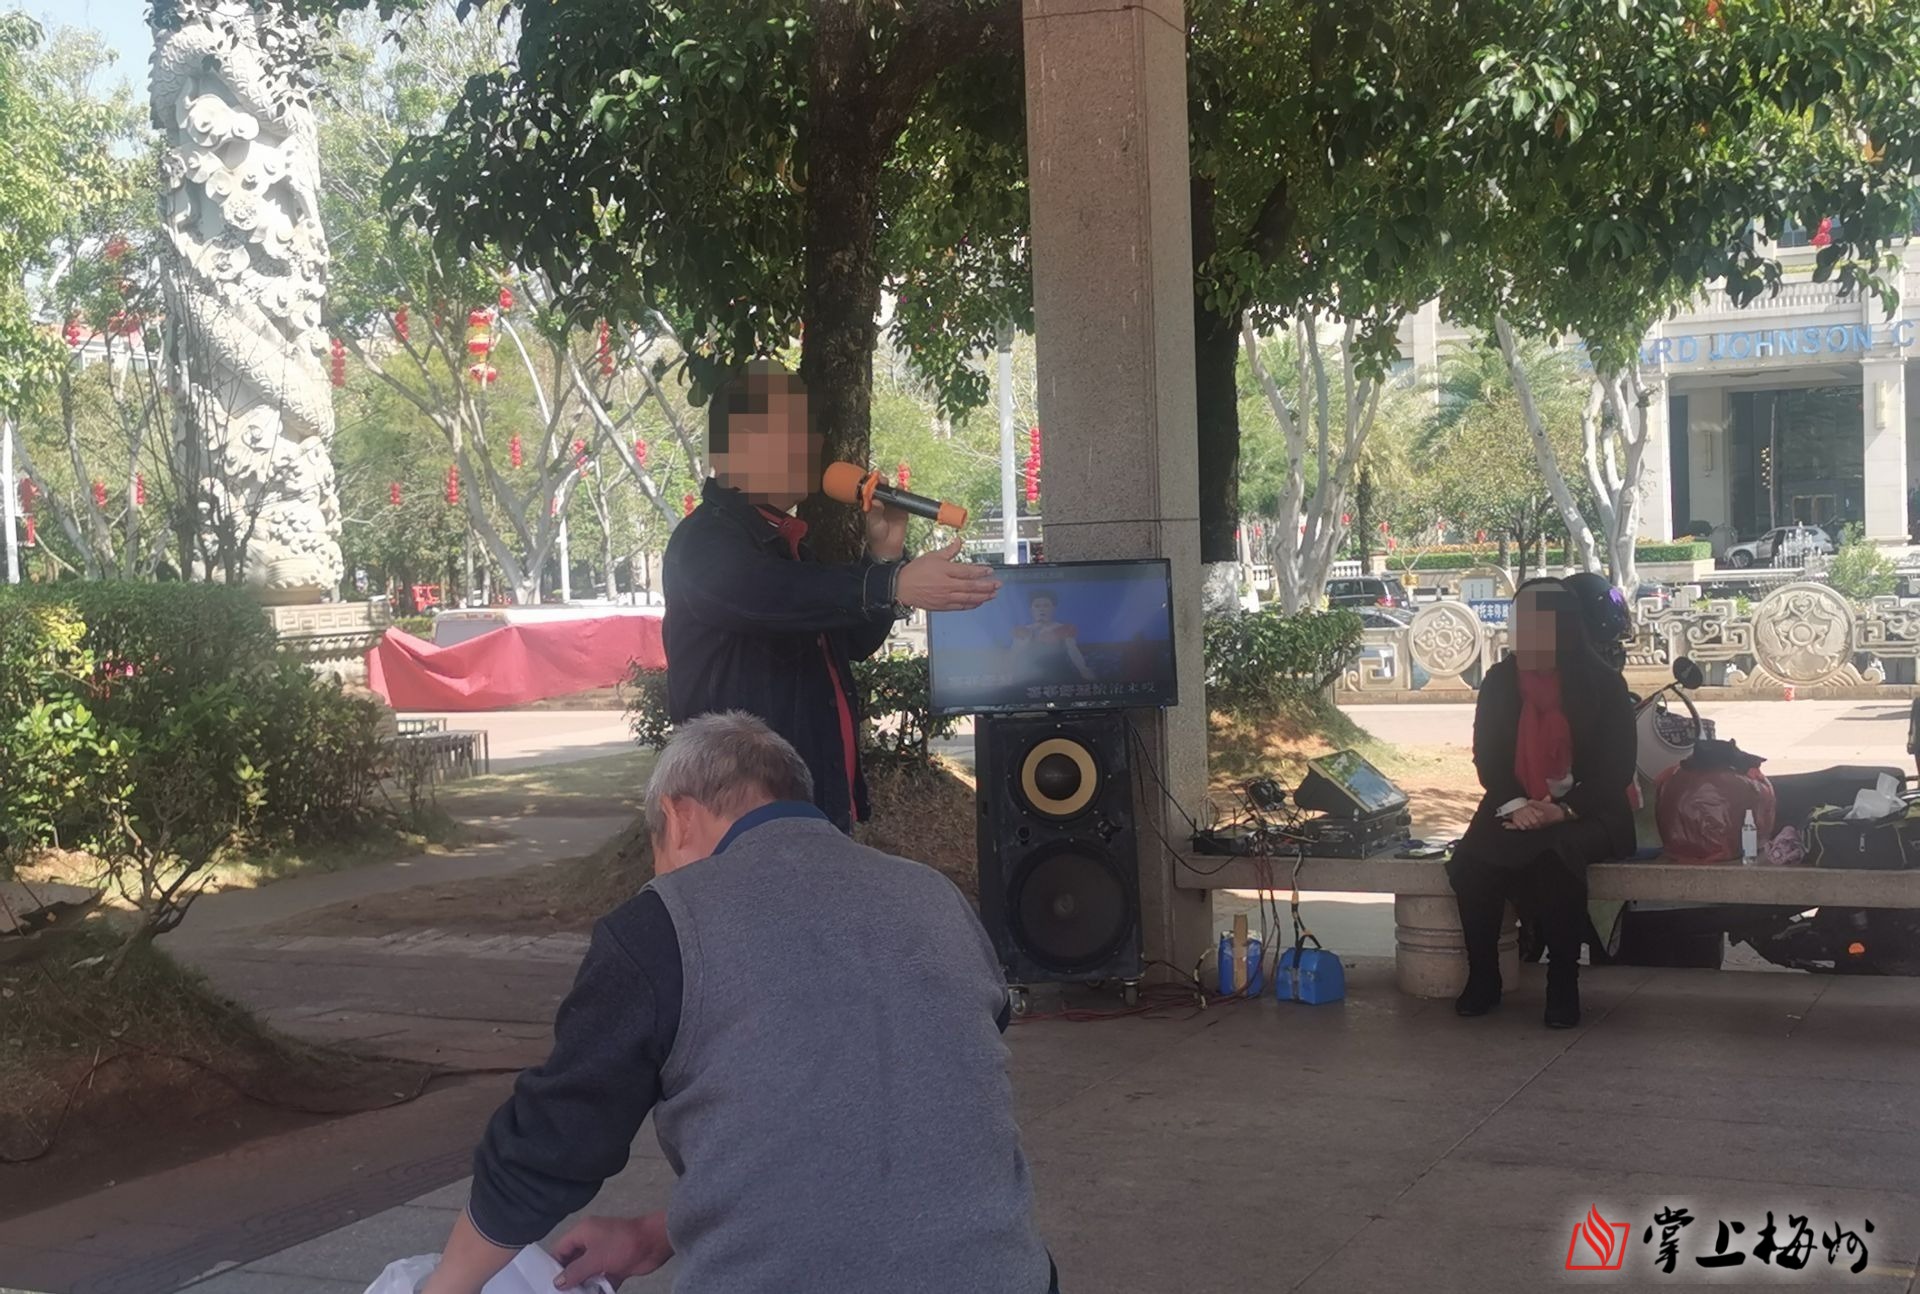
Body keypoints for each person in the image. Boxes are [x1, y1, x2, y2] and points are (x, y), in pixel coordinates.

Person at [419, 712, 1056, 1294]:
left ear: (677, 816)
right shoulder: (936, 898)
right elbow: (881, 1114)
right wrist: (661, 1231)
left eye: (658, 853)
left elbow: (553, 1141)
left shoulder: (662, 925)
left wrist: (445, 1285)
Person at [663, 360, 998, 831]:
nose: (815, 444)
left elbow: (851, 642)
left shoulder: (789, 544)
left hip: (810, 805)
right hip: (738, 819)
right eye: (796, 430)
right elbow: (770, 595)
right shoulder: (703, 542)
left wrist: (883, 557)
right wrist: (893, 583)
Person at [1447, 577, 1636, 1029]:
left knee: (1556, 858)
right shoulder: (1500, 682)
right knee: (1471, 862)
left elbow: (1615, 770)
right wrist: (1517, 803)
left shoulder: (1603, 684)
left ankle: (1563, 983)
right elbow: (1488, 757)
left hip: (1590, 808)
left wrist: (1562, 810)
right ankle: (1483, 976)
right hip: (1515, 804)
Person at [1009, 590, 1095, 684]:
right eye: (1037, 606)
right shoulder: (1023, 631)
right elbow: (1014, 653)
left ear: (1053, 608)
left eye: (1046, 605)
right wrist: (1009, 673)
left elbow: (1073, 651)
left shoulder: (1064, 629)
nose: (1041, 609)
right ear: (1031, 609)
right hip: (1030, 675)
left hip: (1059, 674)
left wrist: (1083, 669)